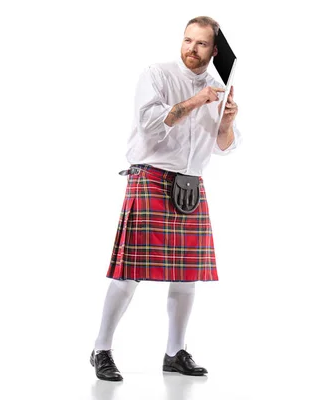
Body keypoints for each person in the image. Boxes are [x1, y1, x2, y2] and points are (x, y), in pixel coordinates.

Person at [90, 16, 241, 381]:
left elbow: (224, 147)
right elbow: (150, 124)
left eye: (201, 43)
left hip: (190, 185)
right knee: (128, 274)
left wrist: (225, 124)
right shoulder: (157, 75)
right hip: (150, 179)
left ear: (215, 50)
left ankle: (175, 353)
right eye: (188, 40)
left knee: (187, 276)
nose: (191, 48)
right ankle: (101, 349)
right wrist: (196, 101)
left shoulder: (220, 89)